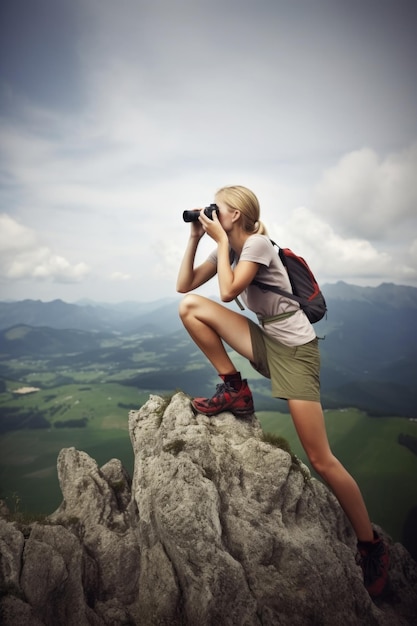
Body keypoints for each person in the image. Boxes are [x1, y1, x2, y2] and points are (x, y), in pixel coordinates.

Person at [176, 185, 389, 599]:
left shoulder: (254, 244)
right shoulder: (231, 247)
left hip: (296, 352)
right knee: (189, 310)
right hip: (267, 339)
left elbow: (227, 291)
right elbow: (185, 287)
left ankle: (372, 546)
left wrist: (220, 245)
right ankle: (235, 389)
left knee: (321, 459)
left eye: (216, 208)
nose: (211, 212)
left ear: (235, 214)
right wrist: (195, 238)